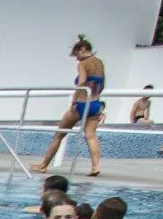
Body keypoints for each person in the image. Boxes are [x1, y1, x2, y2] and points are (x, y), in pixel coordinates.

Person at [28, 37, 106, 177]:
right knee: (91, 136)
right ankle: (95, 167)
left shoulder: (83, 63)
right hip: (95, 103)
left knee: (59, 134)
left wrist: (74, 101)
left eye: (77, 55)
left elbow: (81, 82)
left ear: (82, 50)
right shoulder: (100, 63)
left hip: (82, 103)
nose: (77, 59)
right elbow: (102, 85)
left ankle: (43, 165)